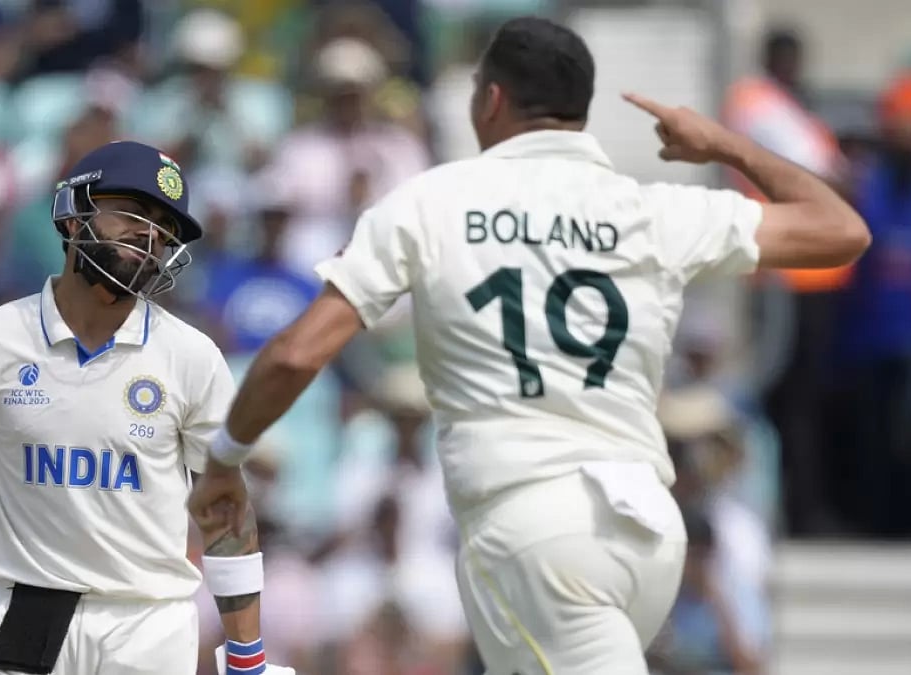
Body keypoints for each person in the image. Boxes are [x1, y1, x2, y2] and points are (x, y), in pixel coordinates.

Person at [190, 16, 869, 675]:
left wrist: (225, 458)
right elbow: (839, 228)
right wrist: (727, 146)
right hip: (646, 526)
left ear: (491, 99)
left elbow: (295, 354)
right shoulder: (650, 209)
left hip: (532, 527)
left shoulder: (429, 203)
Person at [0, 141, 292, 675]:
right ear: (74, 216)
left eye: (165, 228)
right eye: (134, 212)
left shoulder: (192, 357)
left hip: (147, 621)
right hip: (26, 608)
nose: (150, 236)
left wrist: (247, 656)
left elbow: (224, 506)